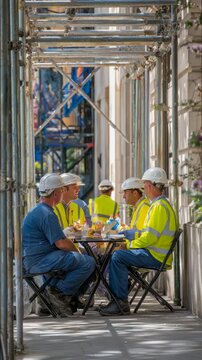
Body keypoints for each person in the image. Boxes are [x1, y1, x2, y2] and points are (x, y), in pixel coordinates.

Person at [99, 167, 178, 316]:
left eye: (145, 185)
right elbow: (148, 233)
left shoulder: (158, 207)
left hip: (155, 255)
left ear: (150, 185)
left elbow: (149, 238)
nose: (144, 188)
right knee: (118, 256)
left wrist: (128, 245)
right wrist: (130, 238)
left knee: (117, 257)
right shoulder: (160, 205)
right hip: (156, 253)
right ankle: (118, 299)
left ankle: (119, 302)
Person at [22, 173, 95, 316]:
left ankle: (53, 297)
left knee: (79, 259)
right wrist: (77, 250)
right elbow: (61, 243)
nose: (63, 193)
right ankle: (58, 294)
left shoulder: (40, 210)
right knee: (88, 262)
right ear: (55, 193)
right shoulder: (47, 214)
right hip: (40, 261)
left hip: (35, 258)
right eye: (61, 190)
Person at [118, 177, 150, 249]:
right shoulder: (139, 207)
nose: (123, 196)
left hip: (141, 250)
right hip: (137, 247)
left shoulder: (144, 207)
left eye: (125, 192)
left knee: (115, 256)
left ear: (135, 193)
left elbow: (141, 235)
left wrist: (127, 246)